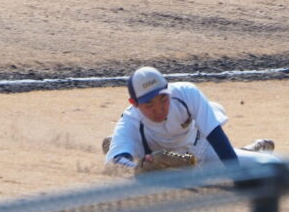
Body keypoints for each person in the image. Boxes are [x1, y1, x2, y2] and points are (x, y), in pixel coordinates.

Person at [103, 65, 277, 171]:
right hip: (160, 164)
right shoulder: (130, 120)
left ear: (169, 90)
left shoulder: (186, 93)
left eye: (163, 99)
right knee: (124, 149)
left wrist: (238, 176)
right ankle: (121, 144)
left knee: (271, 164)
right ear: (134, 103)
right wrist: (139, 168)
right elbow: (115, 163)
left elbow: (216, 136)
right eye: (149, 104)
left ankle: (246, 151)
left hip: (202, 150)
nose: (159, 109)